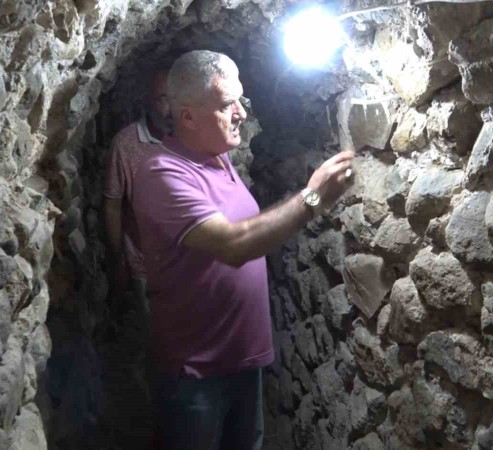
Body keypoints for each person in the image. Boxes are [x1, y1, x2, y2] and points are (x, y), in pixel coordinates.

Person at [132, 50, 354, 450]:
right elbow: (233, 245)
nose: (241, 114)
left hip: (243, 361)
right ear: (187, 117)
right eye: (226, 105)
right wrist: (313, 198)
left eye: (241, 100)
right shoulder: (162, 174)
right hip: (196, 371)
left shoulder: (218, 158)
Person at [104, 70, 171, 313]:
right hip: (145, 265)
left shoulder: (194, 138)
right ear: (148, 101)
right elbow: (112, 205)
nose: (172, 107)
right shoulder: (125, 144)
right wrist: (118, 258)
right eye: (164, 99)